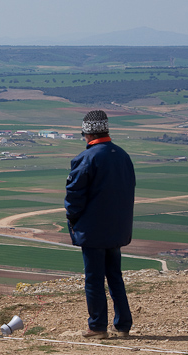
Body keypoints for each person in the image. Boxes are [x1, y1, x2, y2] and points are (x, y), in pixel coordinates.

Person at [64, 110, 135, 339]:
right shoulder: (123, 156)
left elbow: (74, 196)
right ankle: (123, 325)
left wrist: (73, 219)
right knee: (115, 275)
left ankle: (97, 326)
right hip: (118, 228)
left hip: (93, 230)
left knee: (94, 278)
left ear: (87, 133)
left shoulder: (86, 158)